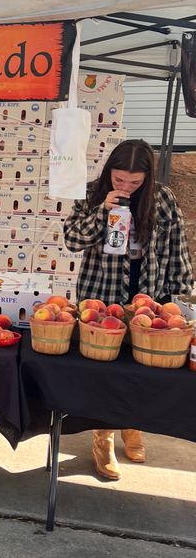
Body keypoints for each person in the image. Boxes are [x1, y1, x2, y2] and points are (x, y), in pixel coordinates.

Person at [64, 139, 193, 480]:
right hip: (100, 294)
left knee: (139, 368)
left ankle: (132, 425)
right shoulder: (93, 194)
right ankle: (102, 436)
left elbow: (178, 251)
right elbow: (73, 240)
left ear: (147, 179)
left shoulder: (162, 199)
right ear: (110, 172)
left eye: (134, 183)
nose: (126, 187)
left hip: (147, 291)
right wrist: (102, 210)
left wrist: (181, 301)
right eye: (120, 180)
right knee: (106, 368)